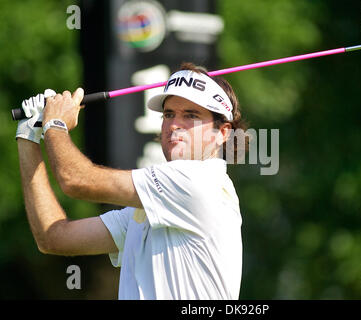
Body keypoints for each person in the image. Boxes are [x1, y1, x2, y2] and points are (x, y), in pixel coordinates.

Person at [15, 63, 247, 300]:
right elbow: (54, 238)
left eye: (191, 115)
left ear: (223, 132)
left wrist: (55, 124)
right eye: (169, 114)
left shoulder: (199, 181)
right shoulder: (151, 207)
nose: (174, 124)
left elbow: (74, 180)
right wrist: (28, 138)